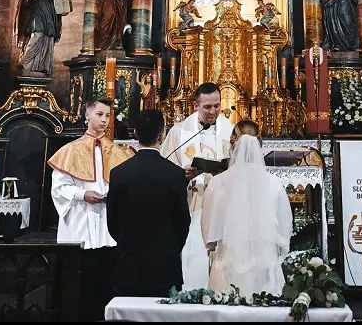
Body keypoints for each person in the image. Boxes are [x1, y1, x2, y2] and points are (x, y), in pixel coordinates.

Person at [48, 98, 133, 321]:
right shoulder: (70, 150)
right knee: (80, 280)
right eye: (100, 114)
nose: (104, 120)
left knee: (106, 277)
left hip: (106, 224)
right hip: (81, 221)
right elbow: (59, 188)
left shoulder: (117, 151)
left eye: (108, 116)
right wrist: (82, 194)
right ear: (87, 115)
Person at [106, 110, 191, 298]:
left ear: (135, 133)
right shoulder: (175, 174)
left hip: (129, 264)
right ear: (162, 135)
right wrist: (169, 248)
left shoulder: (119, 173)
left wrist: (128, 242)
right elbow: (183, 222)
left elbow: (113, 221)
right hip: (165, 265)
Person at [161, 82, 235, 290]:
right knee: (193, 254)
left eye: (217, 106)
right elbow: (164, 169)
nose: (213, 111)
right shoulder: (179, 132)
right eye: (207, 107)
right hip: (192, 204)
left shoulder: (230, 132)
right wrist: (181, 174)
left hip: (222, 205)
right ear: (196, 106)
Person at [201, 134, 293, 297]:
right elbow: (285, 222)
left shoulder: (219, 181)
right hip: (264, 258)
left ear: (233, 150)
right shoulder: (273, 182)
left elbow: (208, 221)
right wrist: (279, 247)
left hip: (229, 255)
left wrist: (210, 243)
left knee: (227, 305)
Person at [14, 0, 62, 77]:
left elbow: (56, 2)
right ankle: (25, 62)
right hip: (37, 17)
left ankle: (42, 67)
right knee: (37, 36)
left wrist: (61, 3)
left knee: (48, 40)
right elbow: (23, 5)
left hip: (49, 19)